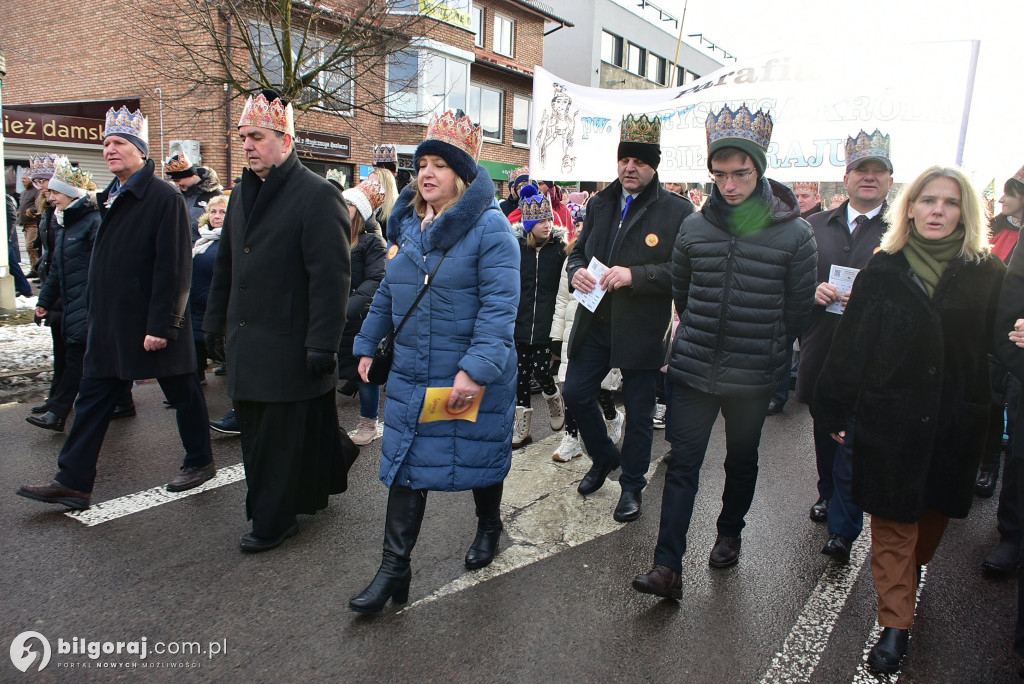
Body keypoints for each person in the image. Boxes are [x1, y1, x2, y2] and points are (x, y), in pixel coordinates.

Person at [814, 166, 1003, 674]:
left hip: (953, 424)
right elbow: (852, 345)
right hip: (890, 421)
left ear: (965, 211)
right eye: (927, 200)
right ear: (911, 208)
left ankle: (909, 577)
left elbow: (1001, 342)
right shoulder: (885, 268)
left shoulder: (988, 273)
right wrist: (836, 406)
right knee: (893, 525)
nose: (937, 210)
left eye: (949, 202)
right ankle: (896, 624)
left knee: (928, 526)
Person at [632, 105, 816, 598]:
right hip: (693, 368)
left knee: (742, 458)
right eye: (720, 175)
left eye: (740, 174)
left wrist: (772, 345)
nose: (730, 185)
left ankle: (729, 531)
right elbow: (683, 293)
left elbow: (799, 309)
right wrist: (698, 332)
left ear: (759, 170)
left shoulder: (796, 235)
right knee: (683, 463)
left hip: (754, 372)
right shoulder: (694, 228)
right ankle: (667, 567)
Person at [349, 110, 519, 613]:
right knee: (406, 464)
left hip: (464, 371)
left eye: (441, 165)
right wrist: (366, 342)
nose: (427, 173)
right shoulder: (405, 224)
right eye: (423, 163)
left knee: (478, 457)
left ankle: (489, 525)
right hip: (410, 372)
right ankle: (393, 568)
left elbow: (499, 309)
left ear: (462, 174)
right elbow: (390, 294)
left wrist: (476, 370)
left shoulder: (491, 230)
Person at [16, 106, 215, 511]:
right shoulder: (108, 196)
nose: (110, 150)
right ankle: (72, 481)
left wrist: (163, 323)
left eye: (119, 143)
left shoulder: (164, 197)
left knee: (183, 393)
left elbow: (174, 266)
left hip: (150, 322)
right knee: (91, 398)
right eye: (106, 144)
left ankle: (200, 461)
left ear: (140, 151)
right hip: (110, 323)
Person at [203, 90, 352, 553]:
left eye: (258, 136)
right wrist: (214, 325)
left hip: (291, 342)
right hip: (249, 341)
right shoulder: (241, 193)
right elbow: (227, 264)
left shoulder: (316, 194)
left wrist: (323, 344)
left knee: (277, 441)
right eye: (244, 136)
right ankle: (319, 475)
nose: (248, 145)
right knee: (259, 434)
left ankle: (273, 520)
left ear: (285, 141)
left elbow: (331, 278)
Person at [564, 113, 694, 523]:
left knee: (639, 413)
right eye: (624, 159)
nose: (629, 167)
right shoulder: (600, 202)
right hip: (596, 321)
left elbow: (684, 272)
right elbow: (579, 253)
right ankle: (604, 456)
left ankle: (632, 486)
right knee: (574, 393)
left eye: (639, 160)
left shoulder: (677, 210)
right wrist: (576, 272)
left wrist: (637, 275)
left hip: (640, 327)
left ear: (654, 164)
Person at [796, 130, 894, 564]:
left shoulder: (901, 232)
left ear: (890, 180)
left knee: (856, 429)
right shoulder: (815, 226)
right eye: (862, 170)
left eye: (879, 171)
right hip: (822, 343)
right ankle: (827, 491)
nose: (869, 178)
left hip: (875, 352)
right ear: (846, 177)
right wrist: (810, 291)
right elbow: (791, 282)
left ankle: (844, 518)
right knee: (823, 419)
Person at [25, 158, 101, 432]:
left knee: (76, 358)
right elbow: (56, 269)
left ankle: (58, 412)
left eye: (55, 192)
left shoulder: (93, 222)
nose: (50, 196)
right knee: (84, 361)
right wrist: (44, 302)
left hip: (87, 305)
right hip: (70, 304)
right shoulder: (64, 222)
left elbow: (100, 270)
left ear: (70, 194)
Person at [975, 163, 1024, 501]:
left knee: (1004, 409)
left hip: (1016, 339)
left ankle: (993, 467)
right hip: (986, 331)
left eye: (1010, 192)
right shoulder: (993, 228)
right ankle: (981, 462)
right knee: (985, 403)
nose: (1002, 199)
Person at [511, 186, 567, 447]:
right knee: (520, 378)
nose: (547, 224)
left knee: (542, 372)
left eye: (549, 219)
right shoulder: (517, 248)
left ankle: (554, 398)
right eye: (541, 220)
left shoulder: (559, 250)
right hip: (520, 326)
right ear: (529, 223)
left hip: (546, 326)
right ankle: (522, 427)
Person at [340, 178, 387, 445]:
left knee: (363, 372)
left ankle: (368, 423)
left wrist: (348, 309)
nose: (342, 206)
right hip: (330, 315)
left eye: (348, 203)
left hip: (357, 317)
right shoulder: (332, 235)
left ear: (359, 210)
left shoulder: (372, 243)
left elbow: (375, 279)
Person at [189, 194, 228, 386]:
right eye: (213, 211)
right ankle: (196, 377)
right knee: (195, 340)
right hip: (197, 297)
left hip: (216, 300)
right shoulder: (202, 238)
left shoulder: (231, 240)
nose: (217, 216)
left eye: (222, 212)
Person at [165, 152, 224, 244]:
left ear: (191, 175)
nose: (177, 185)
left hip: (203, 250)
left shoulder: (216, 196)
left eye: (178, 180)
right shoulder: (178, 196)